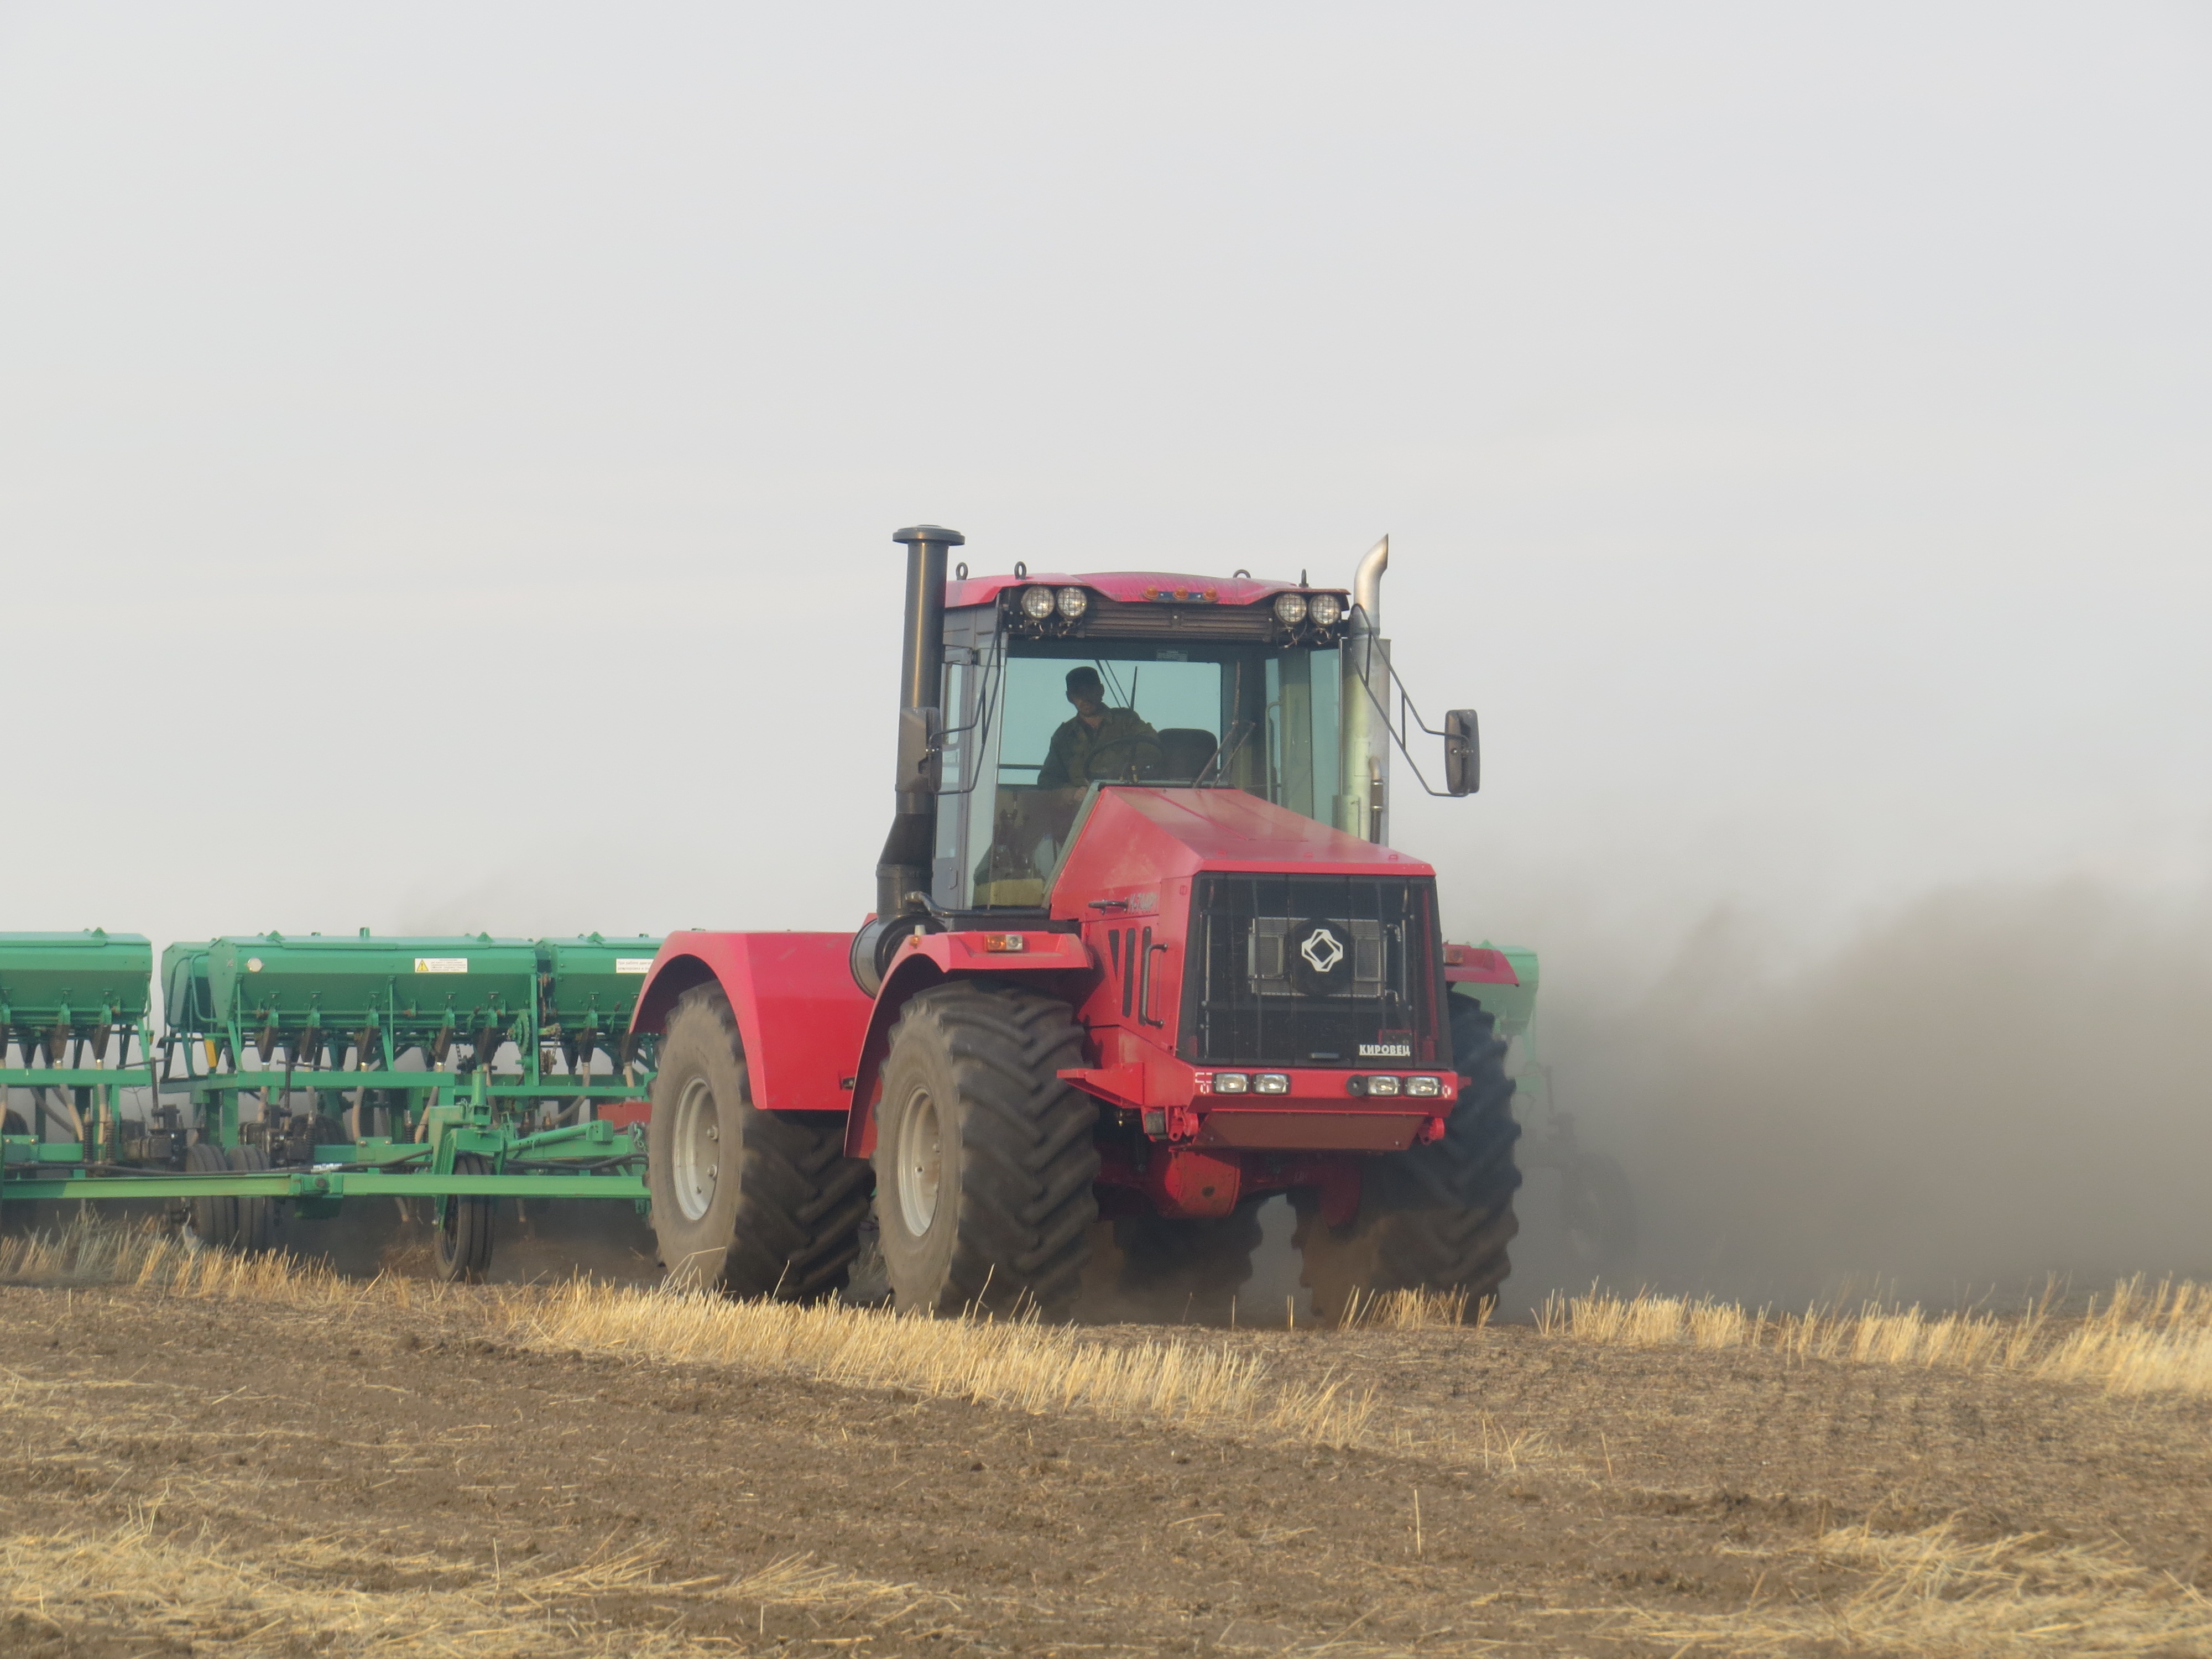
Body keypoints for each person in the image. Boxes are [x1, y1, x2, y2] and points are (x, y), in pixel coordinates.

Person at [1036, 666, 1162, 789]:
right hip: (1084, 805)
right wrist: (1073, 794)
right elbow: (1047, 779)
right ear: (1070, 698)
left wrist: (1125, 768)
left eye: (1089, 691)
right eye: (1078, 693)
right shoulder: (1064, 736)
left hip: (1123, 796)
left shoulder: (1126, 721)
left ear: (1101, 690)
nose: (1085, 698)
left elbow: (1151, 745)